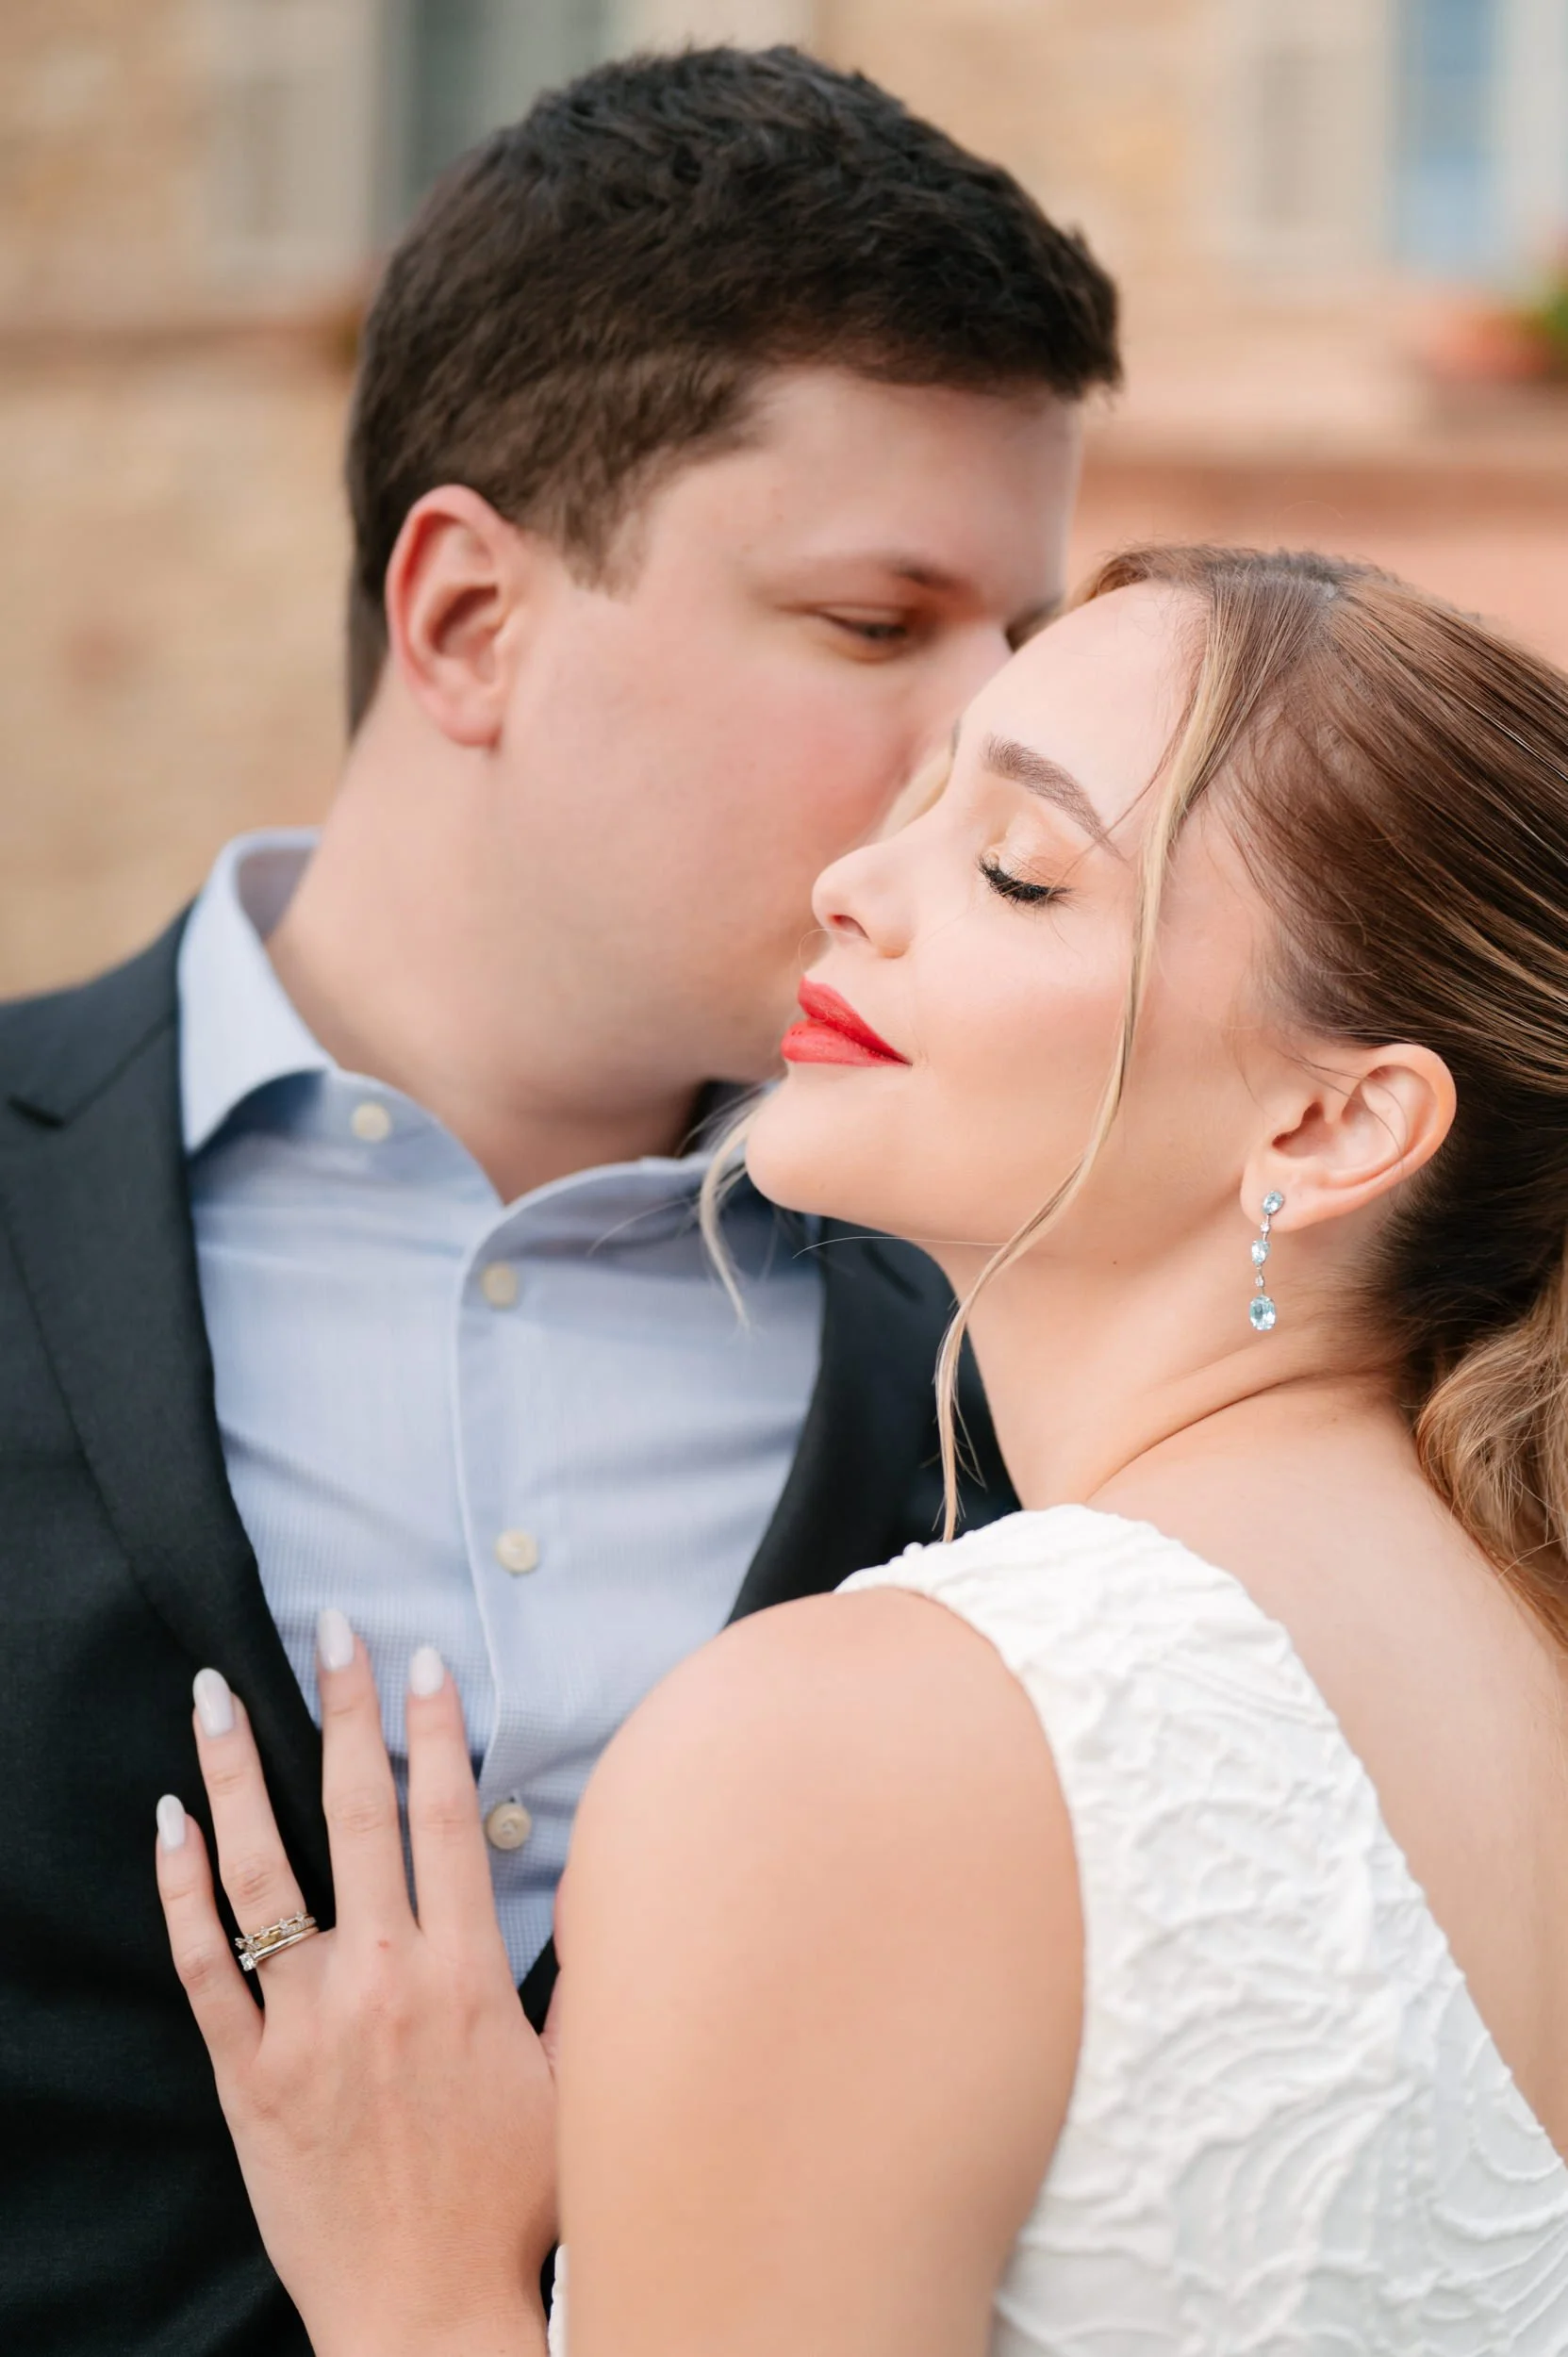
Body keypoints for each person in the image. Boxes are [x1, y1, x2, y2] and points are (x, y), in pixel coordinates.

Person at [0, 46, 1118, 2357]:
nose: (997, 743)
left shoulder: (1044, 1337)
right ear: (470, 618)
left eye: (1028, 639)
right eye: (882, 622)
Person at [160, 545, 1568, 2354]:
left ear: (1331, 1120)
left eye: (1017, 870)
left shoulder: (859, 1740)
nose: (848, 888)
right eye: (914, 807)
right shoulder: (1512, 1643)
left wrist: (414, 2280)